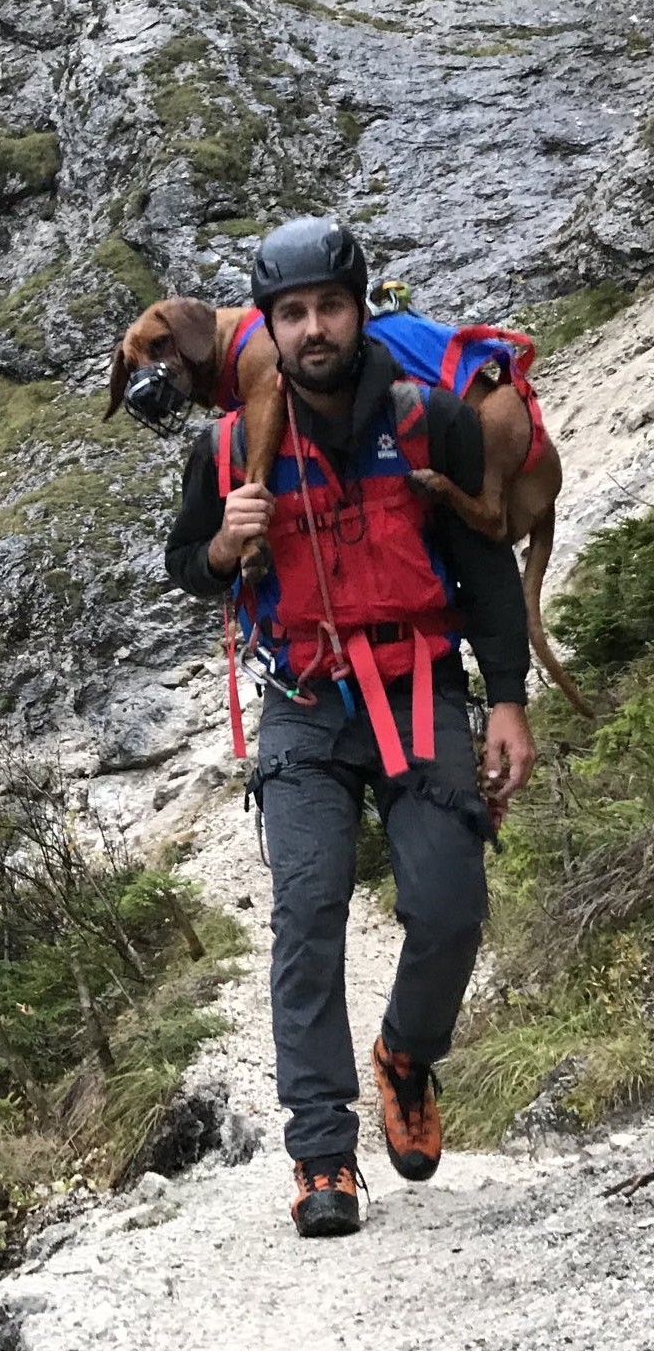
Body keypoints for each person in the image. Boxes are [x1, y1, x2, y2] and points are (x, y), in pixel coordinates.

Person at [163, 216, 536, 1238]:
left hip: (418, 688)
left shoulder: (430, 420)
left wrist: (506, 699)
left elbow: (485, 570)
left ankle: (407, 1058)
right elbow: (184, 566)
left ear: (360, 308)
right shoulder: (231, 446)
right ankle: (321, 1157)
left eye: (330, 305)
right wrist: (223, 552)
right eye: (293, 313)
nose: (315, 328)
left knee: (452, 905)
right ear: (268, 327)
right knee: (309, 909)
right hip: (302, 703)